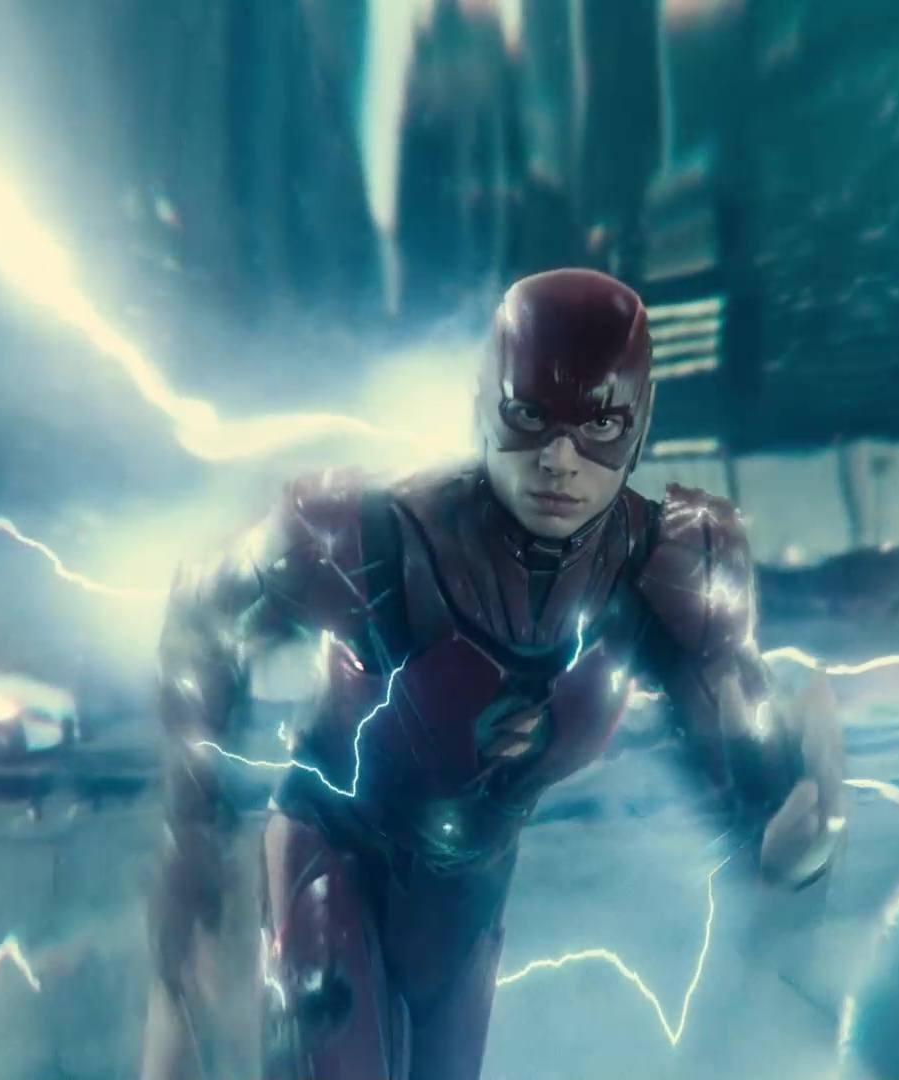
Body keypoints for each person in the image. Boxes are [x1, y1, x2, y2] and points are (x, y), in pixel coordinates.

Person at [142, 268, 846, 1080]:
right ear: (486, 403)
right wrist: (191, 844)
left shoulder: (667, 571)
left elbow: (745, 770)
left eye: (598, 425)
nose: (559, 460)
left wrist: (791, 826)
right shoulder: (371, 541)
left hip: (466, 894)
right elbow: (203, 621)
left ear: (639, 421)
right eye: (530, 416)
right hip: (335, 851)